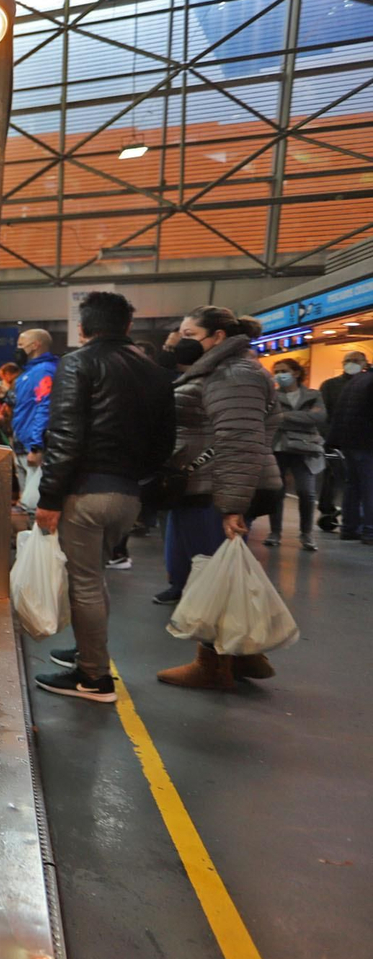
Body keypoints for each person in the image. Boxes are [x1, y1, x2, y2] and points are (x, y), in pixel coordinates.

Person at [33, 292, 175, 703]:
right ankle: (86, 652)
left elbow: (65, 435)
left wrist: (50, 497)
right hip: (128, 495)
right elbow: (165, 442)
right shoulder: (154, 370)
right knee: (95, 577)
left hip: (85, 494)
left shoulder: (79, 363)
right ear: (127, 326)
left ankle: (93, 677)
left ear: (83, 328)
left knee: (86, 584)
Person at [157, 306, 282, 690]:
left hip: (213, 489)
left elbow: (239, 441)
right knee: (204, 572)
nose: (181, 342)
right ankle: (243, 655)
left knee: (211, 577)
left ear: (218, 338)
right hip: (203, 485)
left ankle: (212, 663)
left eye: (190, 334)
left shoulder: (234, 374)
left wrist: (232, 507)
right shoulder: (221, 370)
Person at [263, 358, 326, 551]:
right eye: (277, 371)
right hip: (277, 448)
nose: (280, 375)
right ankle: (274, 532)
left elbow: (317, 417)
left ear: (296, 373)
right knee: (276, 492)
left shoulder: (313, 395)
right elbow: (269, 418)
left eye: (284, 370)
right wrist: (300, 418)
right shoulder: (271, 395)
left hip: (305, 449)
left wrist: (283, 417)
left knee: (307, 492)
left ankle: (307, 533)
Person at [317, 350, 367, 531]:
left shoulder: (363, 384)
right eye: (348, 360)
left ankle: (353, 519)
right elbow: (324, 414)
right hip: (338, 440)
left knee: (353, 480)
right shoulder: (331, 386)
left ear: (364, 363)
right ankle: (328, 509)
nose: (351, 364)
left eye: (356, 360)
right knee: (334, 477)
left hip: (355, 440)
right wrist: (327, 438)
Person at [10, 328, 59, 513]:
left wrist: (37, 446)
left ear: (35, 345)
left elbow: (45, 407)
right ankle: (27, 540)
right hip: (24, 443)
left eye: (21, 345)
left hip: (33, 446)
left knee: (32, 504)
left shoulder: (44, 371)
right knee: (26, 501)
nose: (18, 349)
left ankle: (35, 540)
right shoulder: (30, 372)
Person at [329, 361, 373, 545]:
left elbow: (339, 412)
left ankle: (349, 527)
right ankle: (370, 531)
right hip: (368, 442)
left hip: (349, 442)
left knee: (353, 486)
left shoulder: (356, 380)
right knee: (369, 486)